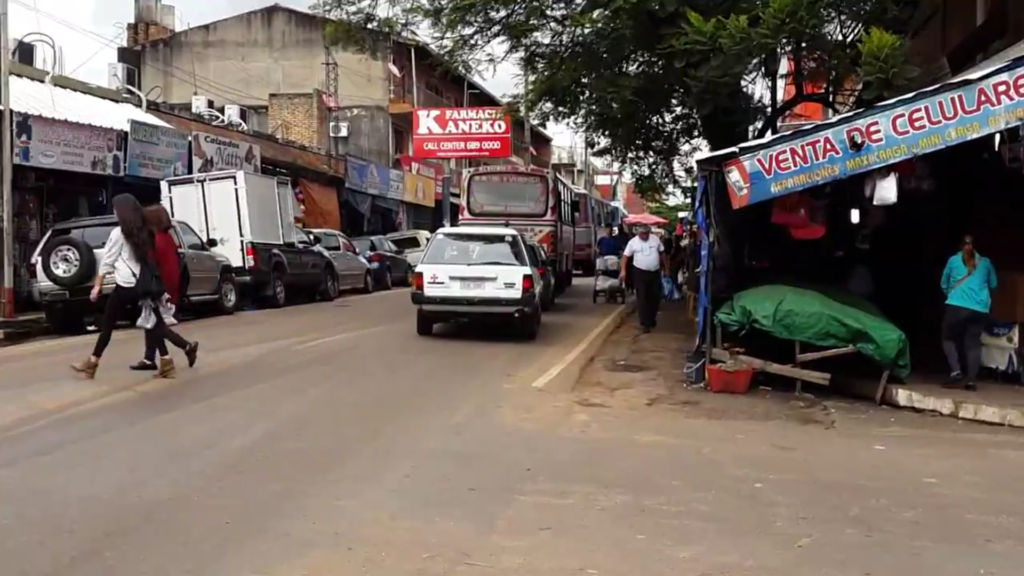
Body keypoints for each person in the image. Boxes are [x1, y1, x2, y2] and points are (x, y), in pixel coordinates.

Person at [130, 204, 199, 374]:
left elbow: (154, 266)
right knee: (150, 321)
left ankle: (186, 345)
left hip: (160, 288)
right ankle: (149, 358)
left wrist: (155, 290)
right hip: (168, 286)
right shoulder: (167, 238)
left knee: (157, 324)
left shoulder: (156, 240)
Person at [939, 235, 997, 392]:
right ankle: (971, 381)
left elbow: (943, 283)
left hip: (956, 305)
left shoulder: (953, 260)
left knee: (948, 338)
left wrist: (952, 296)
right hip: (979, 308)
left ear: (960, 246)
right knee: (973, 343)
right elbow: (994, 284)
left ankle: (956, 372)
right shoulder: (985, 262)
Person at [620, 224, 668, 333]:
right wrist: (623, 271)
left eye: (646, 234)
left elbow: (662, 254)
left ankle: (651, 319)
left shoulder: (655, 239)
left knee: (655, 296)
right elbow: (625, 257)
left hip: (654, 272)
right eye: (642, 234)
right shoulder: (633, 242)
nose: (645, 236)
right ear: (638, 233)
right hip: (640, 272)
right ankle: (645, 323)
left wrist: (666, 268)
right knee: (642, 297)